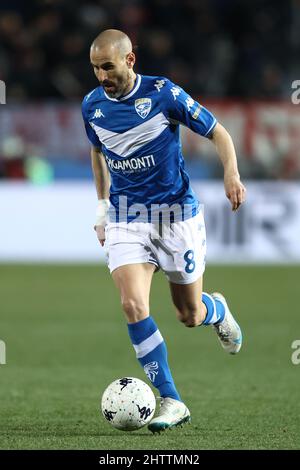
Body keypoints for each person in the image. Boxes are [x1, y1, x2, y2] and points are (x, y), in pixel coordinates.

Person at [82, 29, 246, 434]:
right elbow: (98, 151)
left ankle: (218, 310)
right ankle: (172, 399)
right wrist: (103, 208)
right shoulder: (91, 106)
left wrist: (232, 175)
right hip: (126, 216)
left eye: (107, 66)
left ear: (129, 60)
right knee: (133, 306)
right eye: (94, 68)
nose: (101, 75)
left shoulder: (164, 94)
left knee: (189, 315)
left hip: (176, 217)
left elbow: (218, 132)